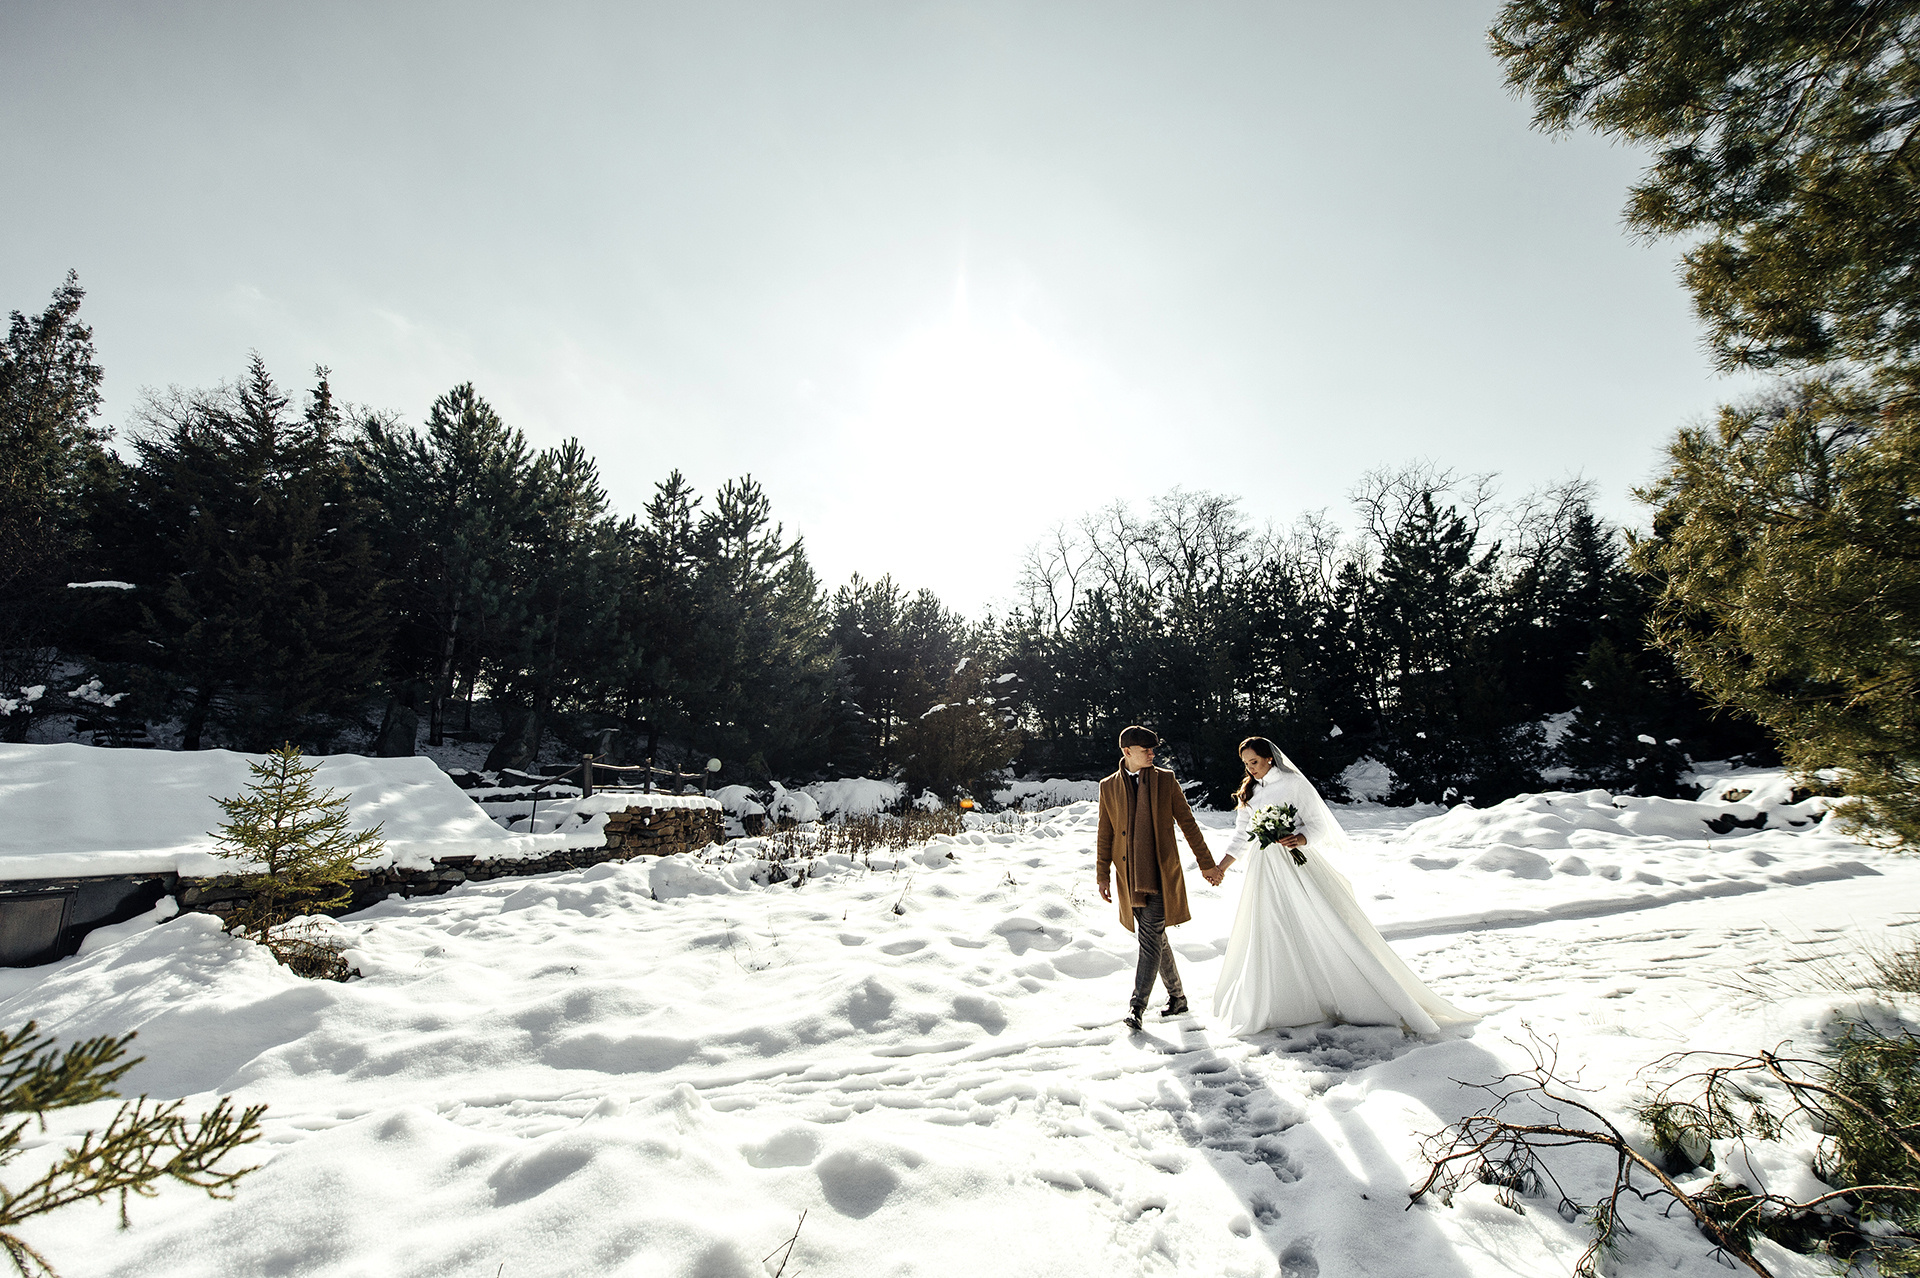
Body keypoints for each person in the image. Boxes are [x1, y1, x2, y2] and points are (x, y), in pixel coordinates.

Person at [1210, 736, 1476, 1037]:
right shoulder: (1250, 792)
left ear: (1269, 758)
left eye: (1254, 762)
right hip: (1263, 869)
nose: (1250, 769)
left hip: (1295, 865)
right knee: (1269, 927)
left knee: (1319, 922)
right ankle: (1280, 999)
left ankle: (1347, 991)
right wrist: (1222, 866)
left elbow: (1318, 824)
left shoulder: (1294, 784)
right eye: (1246, 764)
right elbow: (1241, 835)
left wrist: (1301, 839)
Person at [1096, 725, 1220, 1032]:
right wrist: (1102, 875)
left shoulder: (1166, 781)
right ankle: (1177, 997)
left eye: (1154, 749)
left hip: (1161, 876)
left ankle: (1137, 1006)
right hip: (1129, 877)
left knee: (1149, 938)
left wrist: (1207, 864)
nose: (1153, 753)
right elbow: (1105, 833)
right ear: (1128, 752)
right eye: (1146, 750)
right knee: (1157, 937)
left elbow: (1188, 824)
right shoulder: (1108, 786)